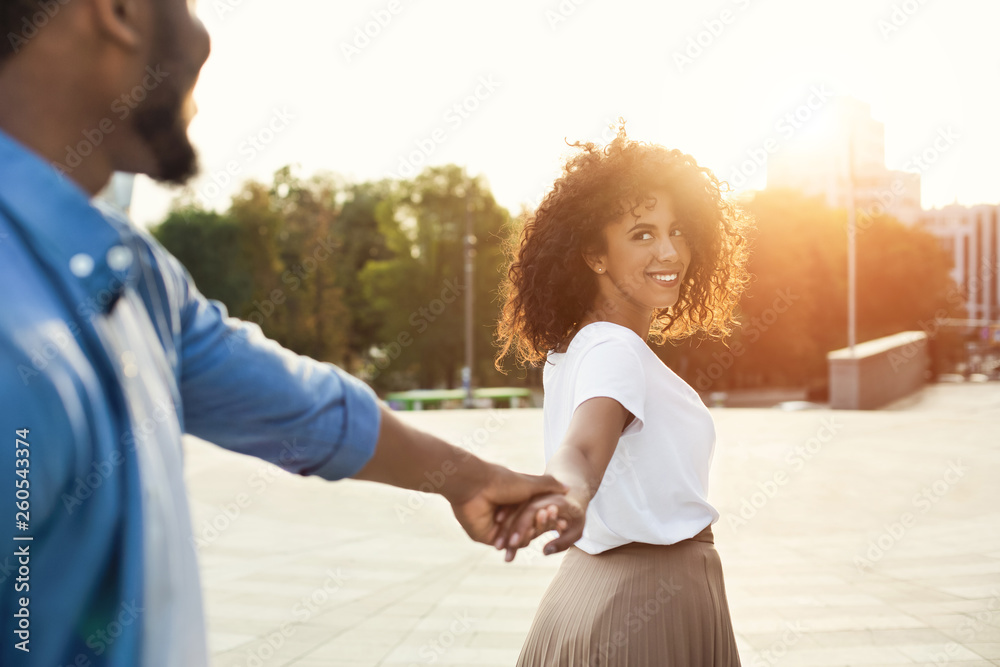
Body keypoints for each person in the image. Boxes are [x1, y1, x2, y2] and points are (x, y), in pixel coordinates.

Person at [0, 1, 565, 665]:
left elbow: (303, 404)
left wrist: (466, 478)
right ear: (117, 11)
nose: (204, 38)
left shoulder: (135, 276)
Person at [492, 126, 752, 665]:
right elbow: (586, 448)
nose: (669, 251)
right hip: (646, 606)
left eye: (678, 230)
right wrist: (568, 491)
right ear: (594, 254)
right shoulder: (613, 349)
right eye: (641, 233)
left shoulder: (582, 346)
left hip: (591, 592)